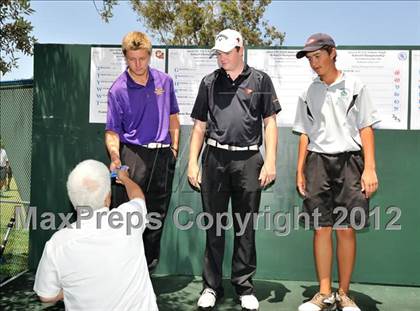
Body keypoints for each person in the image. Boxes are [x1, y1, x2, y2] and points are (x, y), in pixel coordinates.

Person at [188, 29, 281, 311]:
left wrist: (272, 160)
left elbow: (270, 123)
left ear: (241, 50)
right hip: (214, 159)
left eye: (227, 52)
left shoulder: (261, 80)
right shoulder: (208, 82)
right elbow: (199, 126)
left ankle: (244, 286)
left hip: (249, 160)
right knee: (214, 227)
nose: (222, 58)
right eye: (218, 53)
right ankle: (211, 287)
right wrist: (192, 162)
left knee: (245, 227)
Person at [293, 33, 380, 311]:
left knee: (344, 229)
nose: (314, 63)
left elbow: (365, 127)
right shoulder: (308, 92)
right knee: (321, 229)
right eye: (309, 59)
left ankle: (344, 294)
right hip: (317, 163)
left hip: (351, 163)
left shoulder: (355, 85)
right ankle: (323, 293)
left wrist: (370, 168)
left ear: (332, 53)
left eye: (317, 56)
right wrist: (300, 170)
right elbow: (305, 134)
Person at [34, 160, 158, 311]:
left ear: (73, 200)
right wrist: (125, 178)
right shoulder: (128, 219)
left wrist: (70, 291)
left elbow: (46, 296)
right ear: (107, 198)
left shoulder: (57, 244)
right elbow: (138, 198)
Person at [105, 31, 180, 271]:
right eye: (132, 59)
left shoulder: (165, 81)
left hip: (162, 156)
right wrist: (116, 157)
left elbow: (173, 118)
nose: (137, 64)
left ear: (149, 55)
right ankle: (122, 271)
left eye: (142, 58)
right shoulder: (117, 90)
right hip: (132, 156)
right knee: (128, 218)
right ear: (125, 57)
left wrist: (174, 149)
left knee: (156, 217)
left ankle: (147, 271)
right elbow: (112, 132)